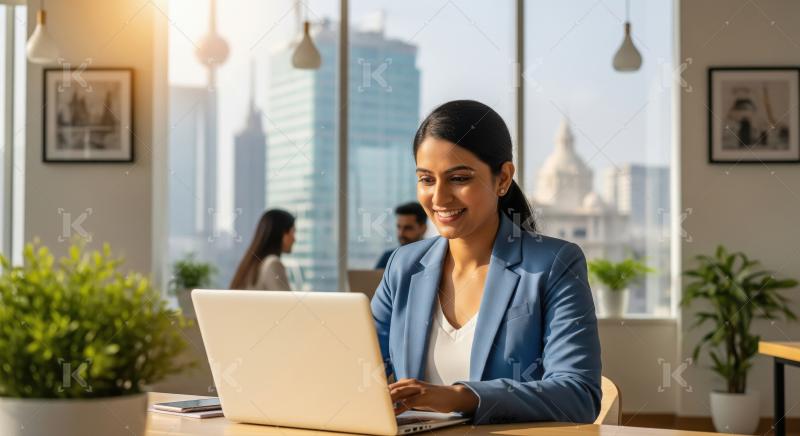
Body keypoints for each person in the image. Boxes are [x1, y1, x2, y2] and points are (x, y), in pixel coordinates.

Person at [371, 100, 602, 425]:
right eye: (426, 179)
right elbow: (358, 367)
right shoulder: (404, 266)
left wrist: (459, 397)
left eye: (459, 178)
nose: (438, 198)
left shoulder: (554, 265)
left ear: (502, 178)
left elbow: (578, 395)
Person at [229, 209, 296, 291]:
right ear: (281, 233)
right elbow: (287, 302)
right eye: (292, 232)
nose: (294, 239)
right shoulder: (273, 264)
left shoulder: (252, 264)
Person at [375, 202, 428, 269]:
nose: (401, 233)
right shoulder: (388, 257)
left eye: (408, 228)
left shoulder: (434, 257)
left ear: (423, 228)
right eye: (399, 227)